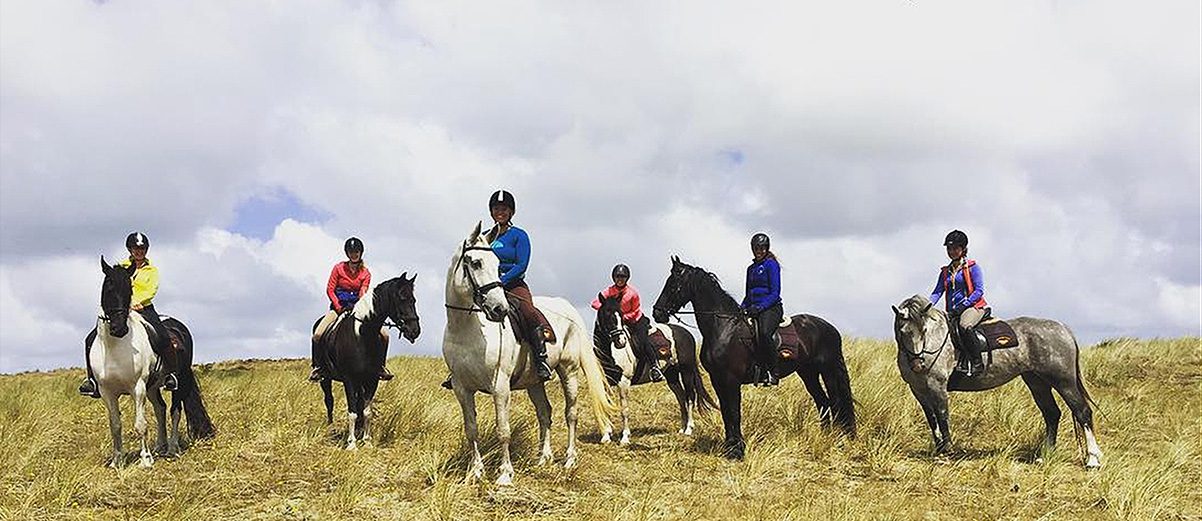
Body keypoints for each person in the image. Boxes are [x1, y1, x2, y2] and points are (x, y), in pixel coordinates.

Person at [441, 190, 553, 390]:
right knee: (467, 315)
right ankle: (459, 369)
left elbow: (522, 264)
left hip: (513, 284)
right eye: (496, 209)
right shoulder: (484, 237)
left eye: (504, 209)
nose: (500, 212)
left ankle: (541, 360)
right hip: (486, 287)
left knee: (528, 311)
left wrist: (501, 280)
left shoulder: (519, 235)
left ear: (511, 212)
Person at [79, 232, 177, 397]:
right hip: (122, 310)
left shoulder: (152, 270)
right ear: (130, 249)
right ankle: (92, 380)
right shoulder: (122, 268)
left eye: (142, 248)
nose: (139, 251)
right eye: (136, 248)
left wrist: (138, 302)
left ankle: (170, 375)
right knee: (90, 338)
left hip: (144, 308)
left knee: (162, 336)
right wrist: (123, 305)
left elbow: (151, 289)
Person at [309, 237, 392, 382]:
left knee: (385, 335)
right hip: (338, 308)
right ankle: (319, 367)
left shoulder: (365, 273)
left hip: (357, 308)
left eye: (356, 252)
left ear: (360, 253)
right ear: (347, 253)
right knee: (317, 334)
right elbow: (330, 289)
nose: (354, 255)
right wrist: (338, 306)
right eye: (351, 252)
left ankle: (380, 366)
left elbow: (363, 292)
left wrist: (358, 307)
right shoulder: (338, 268)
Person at [928, 229, 988, 377]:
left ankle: (977, 362)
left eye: (955, 248)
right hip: (952, 311)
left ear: (963, 249)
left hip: (973, 307)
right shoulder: (945, 272)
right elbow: (937, 292)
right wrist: (927, 305)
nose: (952, 251)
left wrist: (964, 304)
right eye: (949, 248)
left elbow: (979, 291)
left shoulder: (973, 267)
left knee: (964, 326)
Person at [591, 264, 664, 383]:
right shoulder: (609, 291)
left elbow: (635, 310)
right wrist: (606, 309)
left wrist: (622, 317)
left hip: (636, 321)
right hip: (618, 321)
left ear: (627, 278)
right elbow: (594, 303)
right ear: (613, 278)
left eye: (623, 277)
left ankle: (654, 367)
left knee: (643, 341)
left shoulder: (632, 293)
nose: (620, 279)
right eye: (617, 277)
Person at [741, 233, 783, 386]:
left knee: (764, 333)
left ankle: (773, 371)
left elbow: (775, 292)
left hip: (771, 308)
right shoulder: (750, 268)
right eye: (756, 248)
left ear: (767, 248)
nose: (759, 250)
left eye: (762, 247)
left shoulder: (771, 265)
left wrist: (760, 307)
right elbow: (748, 294)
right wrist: (742, 308)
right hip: (753, 308)